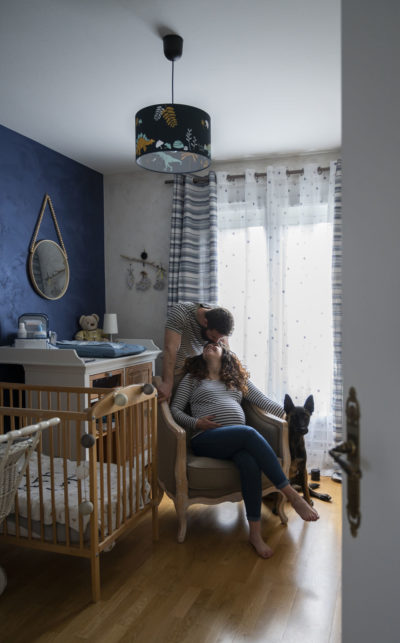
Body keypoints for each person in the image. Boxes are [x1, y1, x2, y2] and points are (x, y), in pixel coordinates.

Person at [170, 341, 319, 559]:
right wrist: (196, 423)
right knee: (247, 432)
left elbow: (265, 403)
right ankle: (292, 496)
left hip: (236, 442)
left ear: (225, 353)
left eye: (215, 344)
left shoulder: (236, 380)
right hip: (206, 439)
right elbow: (174, 409)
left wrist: (294, 419)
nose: (210, 346)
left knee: (249, 463)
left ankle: (255, 535)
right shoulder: (192, 378)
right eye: (207, 344)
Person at [157, 302, 234, 402]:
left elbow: (225, 351)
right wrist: (167, 383)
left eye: (219, 339)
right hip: (180, 370)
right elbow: (170, 348)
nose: (215, 342)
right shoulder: (181, 313)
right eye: (213, 337)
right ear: (205, 323)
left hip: (203, 370)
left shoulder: (222, 319)